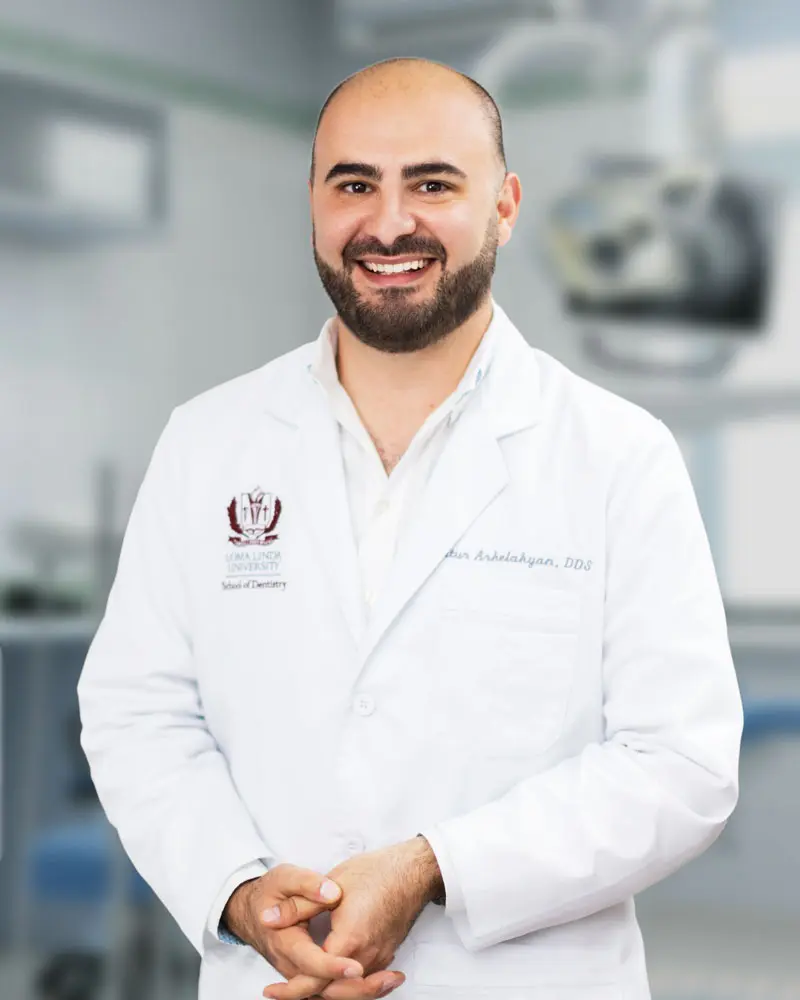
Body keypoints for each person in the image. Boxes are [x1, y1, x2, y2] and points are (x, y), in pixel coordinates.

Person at [77, 57, 743, 1000]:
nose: (389, 225)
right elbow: (135, 714)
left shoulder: (617, 456)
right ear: (313, 203)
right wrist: (238, 892)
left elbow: (682, 765)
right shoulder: (208, 443)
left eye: (432, 184)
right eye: (355, 185)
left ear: (505, 206)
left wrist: (436, 867)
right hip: (270, 981)